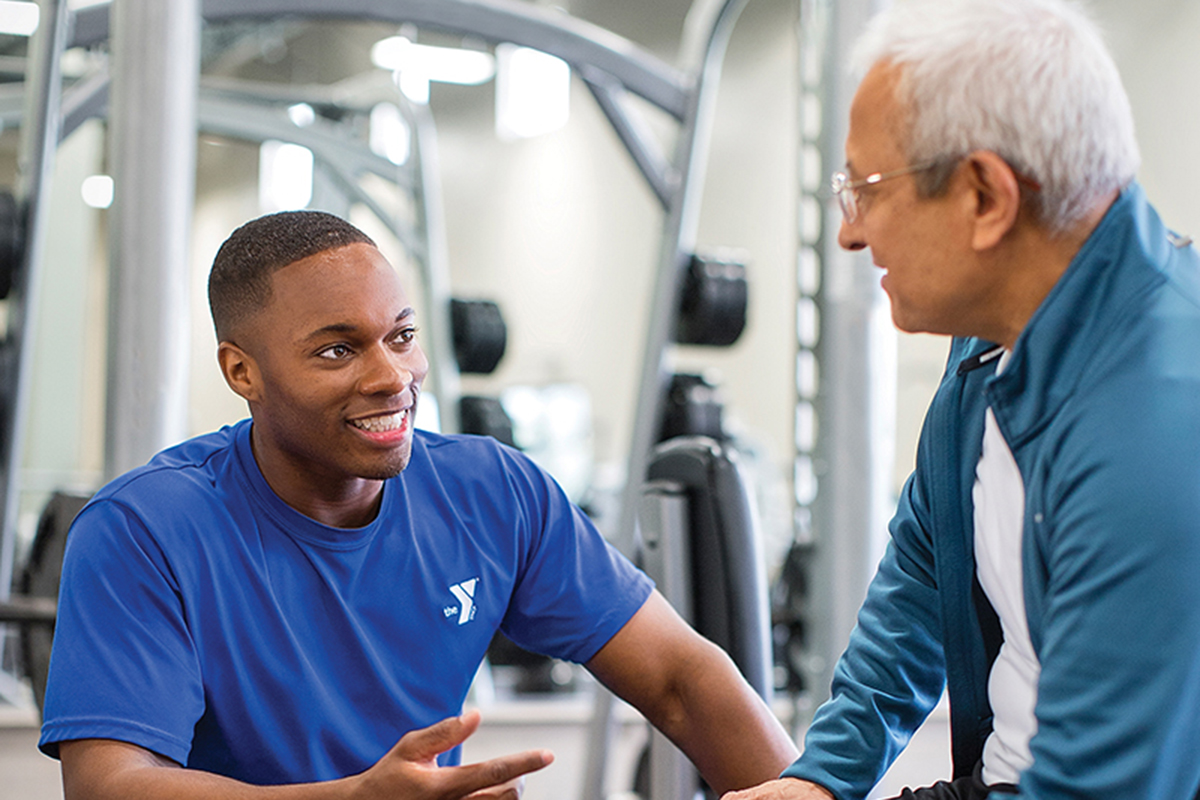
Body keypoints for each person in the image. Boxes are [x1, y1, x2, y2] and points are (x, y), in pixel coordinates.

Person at [38, 210, 799, 799]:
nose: (390, 376)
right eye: (337, 349)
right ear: (243, 371)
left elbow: (681, 677)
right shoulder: (144, 530)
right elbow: (113, 785)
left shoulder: (492, 491)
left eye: (400, 336)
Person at [723, 0, 1200, 799]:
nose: (850, 232)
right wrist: (821, 780)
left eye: (867, 189)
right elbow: (927, 564)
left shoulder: (1156, 430)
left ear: (985, 198)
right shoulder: (992, 340)